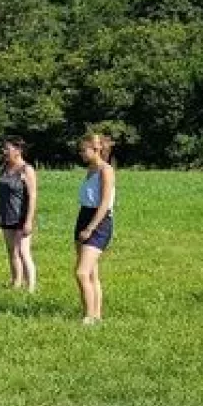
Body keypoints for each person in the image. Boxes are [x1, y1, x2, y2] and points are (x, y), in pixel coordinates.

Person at [75, 133, 116, 325]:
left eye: (84, 150)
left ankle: (89, 316)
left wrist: (90, 228)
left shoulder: (105, 170)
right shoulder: (90, 170)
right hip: (83, 216)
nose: (81, 154)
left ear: (96, 149)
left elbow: (105, 203)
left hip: (98, 221)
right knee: (91, 273)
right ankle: (96, 315)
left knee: (81, 272)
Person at [0, 137, 38, 292]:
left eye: (7, 149)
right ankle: (16, 281)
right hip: (6, 215)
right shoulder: (4, 168)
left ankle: (31, 287)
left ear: (18, 151)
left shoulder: (27, 170)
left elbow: (33, 196)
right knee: (11, 250)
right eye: (4, 148)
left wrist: (29, 221)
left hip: (21, 217)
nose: (4, 151)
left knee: (23, 251)